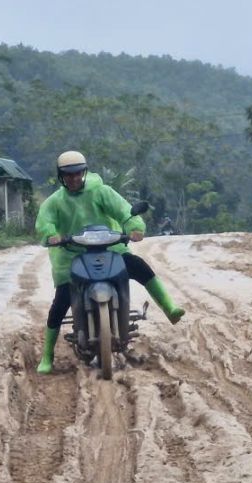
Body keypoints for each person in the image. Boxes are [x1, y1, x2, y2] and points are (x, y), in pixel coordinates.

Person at [34, 150, 185, 374]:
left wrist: (134, 227)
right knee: (61, 301)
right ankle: (47, 356)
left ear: (84, 172)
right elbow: (44, 222)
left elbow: (123, 209)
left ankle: (169, 307)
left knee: (138, 266)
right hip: (71, 255)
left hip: (110, 247)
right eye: (68, 175)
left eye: (77, 174)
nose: (73, 179)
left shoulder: (101, 191)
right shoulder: (54, 202)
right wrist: (51, 235)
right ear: (61, 176)